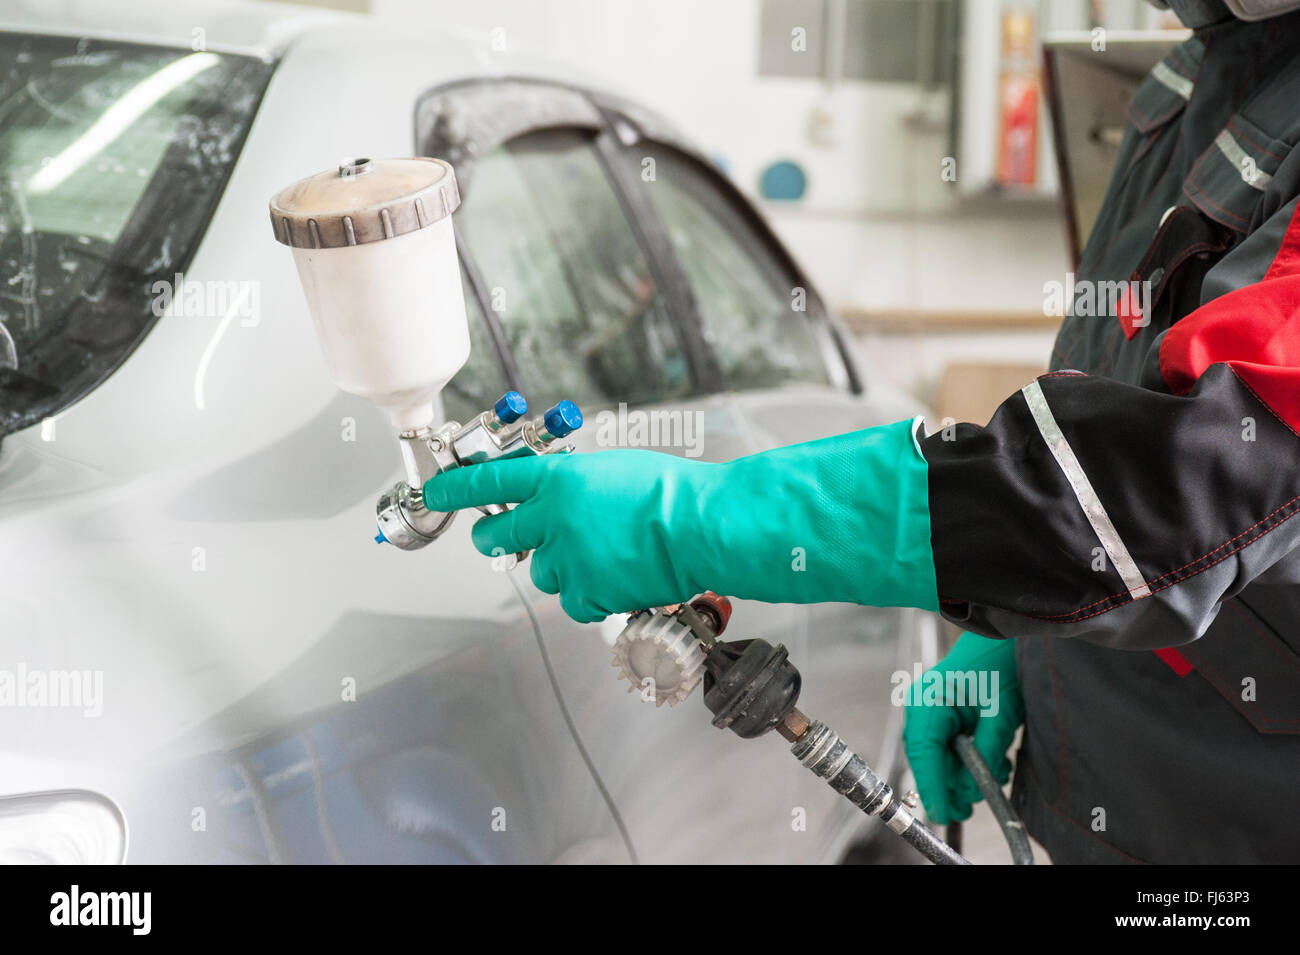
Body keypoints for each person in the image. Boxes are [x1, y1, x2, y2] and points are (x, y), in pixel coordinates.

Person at [424, 0, 1300, 864]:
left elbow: (1164, 490)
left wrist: (695, 515)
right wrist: (1023, 646)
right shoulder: (1210, 65)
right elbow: (1117, 397)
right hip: (1108, 806)